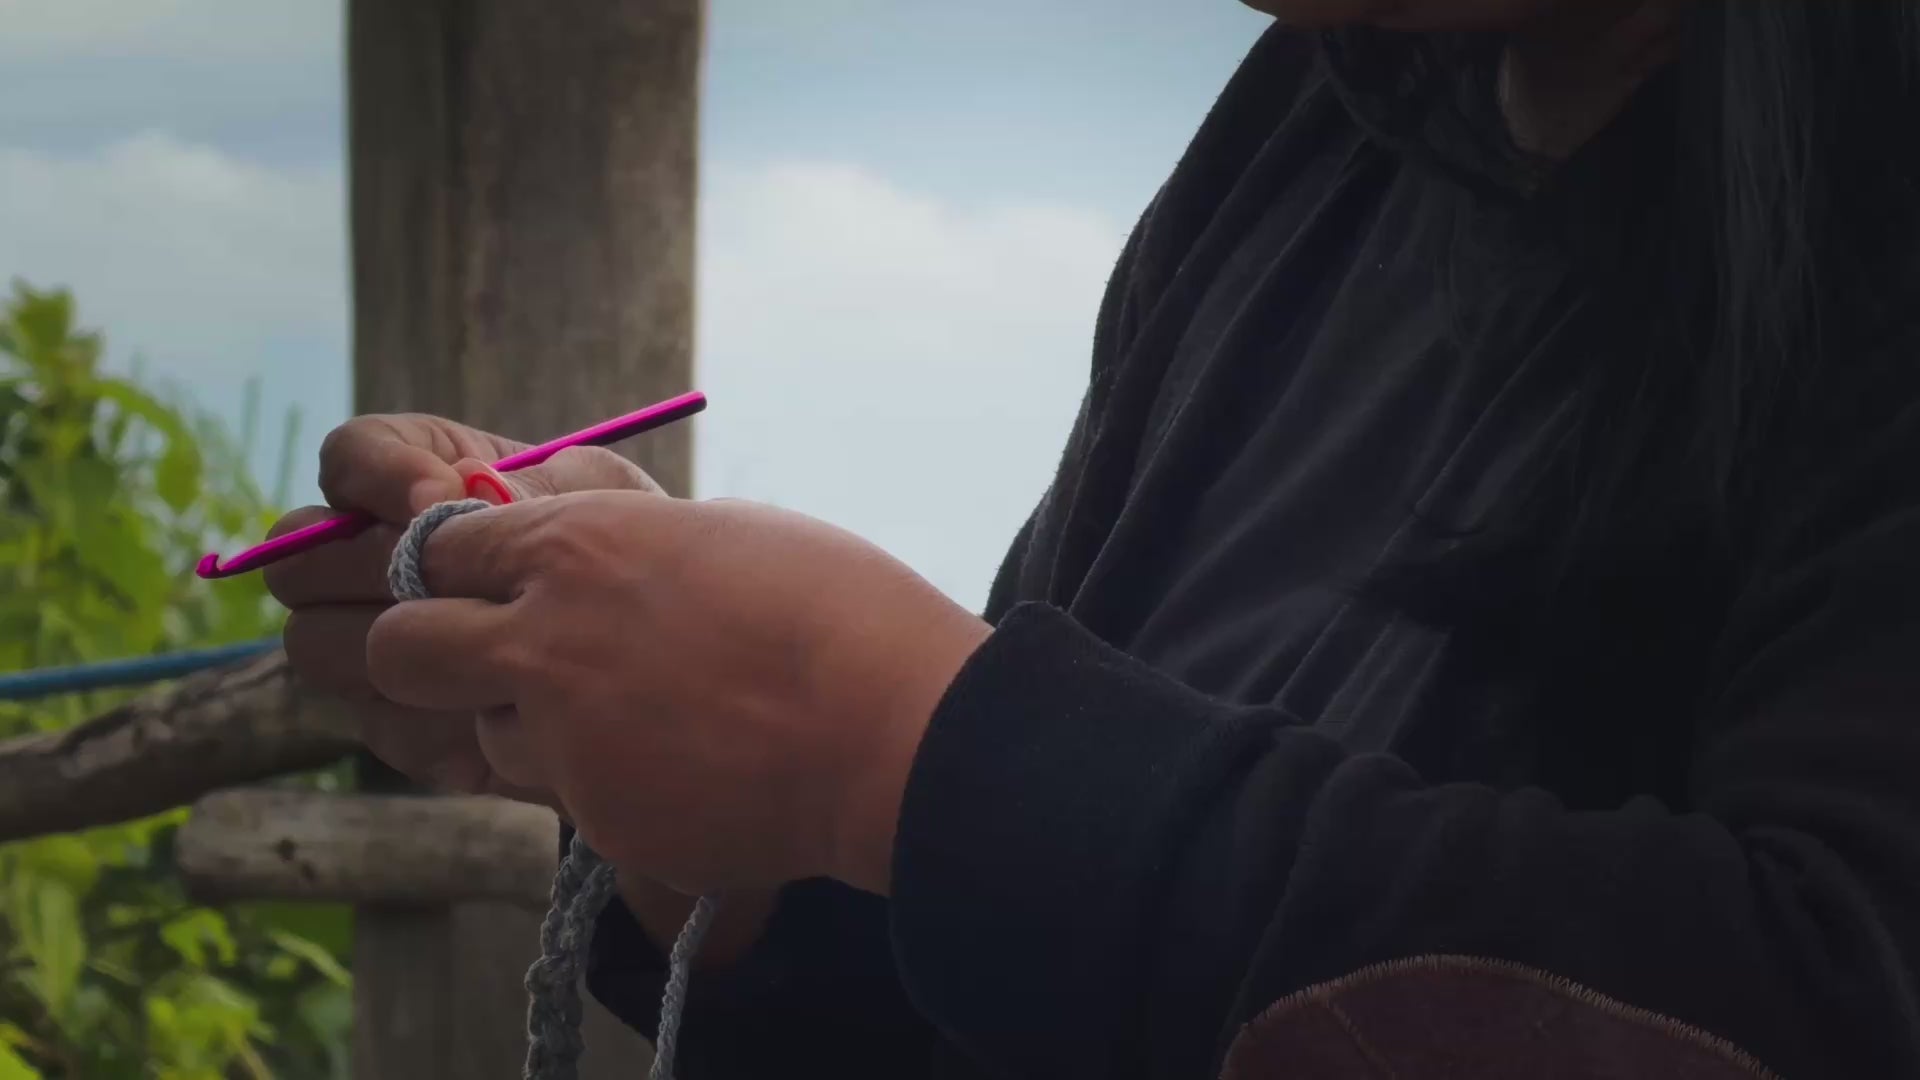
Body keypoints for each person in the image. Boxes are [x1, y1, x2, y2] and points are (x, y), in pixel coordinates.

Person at [269, 1, 1920, 1076]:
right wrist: (734, 807)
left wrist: (892, 751)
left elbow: (1832, 998)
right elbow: (1049, 965)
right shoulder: (1327, 118)